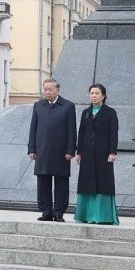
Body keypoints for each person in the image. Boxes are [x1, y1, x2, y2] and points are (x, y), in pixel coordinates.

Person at [26, 79, 77, 222]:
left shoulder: (68, 106)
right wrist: (32, 149)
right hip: (42, 150)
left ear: (58, 90)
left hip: (61, 152)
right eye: (46, 89)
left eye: (50, 89)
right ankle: (46, 211)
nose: (47, 92)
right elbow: (33, 128)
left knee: (61, 183)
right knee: (43, 183)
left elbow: (72, 130)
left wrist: (70, 150)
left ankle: (59, 212)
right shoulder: (38, 106)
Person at [74, 84, 120, 225]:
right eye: (91, 93)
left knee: (103, 183)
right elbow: (81, 133)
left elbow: (114, 133)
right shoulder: (86, 112)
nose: (94, 96)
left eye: (97, 93)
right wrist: (79, 152)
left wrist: (113, 152)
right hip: (87, 154)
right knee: (86, 183)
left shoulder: (110, 112)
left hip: (103, 154)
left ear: (103, 96)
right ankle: (85, 215)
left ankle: (102, 216)